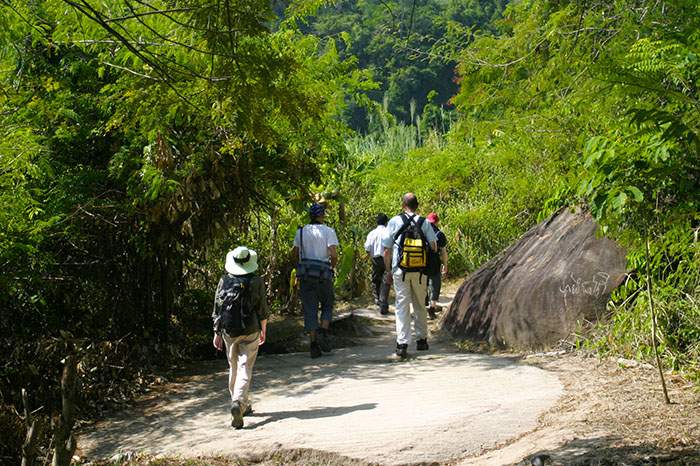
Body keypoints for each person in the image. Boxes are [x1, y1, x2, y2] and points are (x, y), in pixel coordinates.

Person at [212, 246, 269, 429]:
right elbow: (262, 309)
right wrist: (263, 330)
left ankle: (239, 404)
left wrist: (216, 332)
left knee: (233, 367)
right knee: (245, 367)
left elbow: (217, 309)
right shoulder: (256, 281)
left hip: (229, 331)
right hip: (250, 330)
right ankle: (238, 401)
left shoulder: (224, 280)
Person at [383, 193, 437, 358]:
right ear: (417, 205)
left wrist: (388, 271)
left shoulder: (394, 221)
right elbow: (434, 246)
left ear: (402, 204)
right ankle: (421, 340)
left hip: (400, 270)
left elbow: (386, 250)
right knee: (420, 304)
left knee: (402, 306)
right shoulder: (424, 222)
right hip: (420, 272)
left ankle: (402, 344)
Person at [290, 203, 339, 359]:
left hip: (306, 275)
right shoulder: (328, 231)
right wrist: (330, 267)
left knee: (310, 308)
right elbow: (334, 255)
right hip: (323, 274)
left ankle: (313, 344)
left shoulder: (301, 232)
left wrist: (298, 267)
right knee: (328, 302)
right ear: (322, 215)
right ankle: (323, 332)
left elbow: (295, 253)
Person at [364, 213, 390, 315]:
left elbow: (367, 246)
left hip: (375, 259)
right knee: (386, 280)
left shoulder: (372, 233)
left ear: (376, 222)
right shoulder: (388, 232)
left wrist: (368, 254)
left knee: (376, 280)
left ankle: (378, 300)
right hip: (387, 258)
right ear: (386, 222)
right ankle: (384, 303)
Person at [425, 212, 448, 320]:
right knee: (435, 285)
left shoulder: (422, 233)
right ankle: (432, 310)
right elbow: (443, 252)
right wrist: (445, 265)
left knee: (423, 284)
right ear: (437, 222)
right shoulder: (440, 235)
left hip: (422, 261)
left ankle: (423, 305)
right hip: (434, 262)